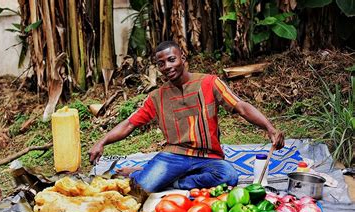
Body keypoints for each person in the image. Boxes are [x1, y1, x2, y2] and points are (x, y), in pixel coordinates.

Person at [88, 41, 285, 192]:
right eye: (161, 63)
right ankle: (149, 173)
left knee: (228, 177)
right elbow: (130, 124)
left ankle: (174, 180)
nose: (167, 66)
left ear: (182, 57)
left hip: (208, 157)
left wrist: (270, 128)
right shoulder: (157, 97)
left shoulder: (210, 83)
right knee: (142, 189)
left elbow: (241, 106)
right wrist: (102, 142)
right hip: (174, 156)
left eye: (171, 59)